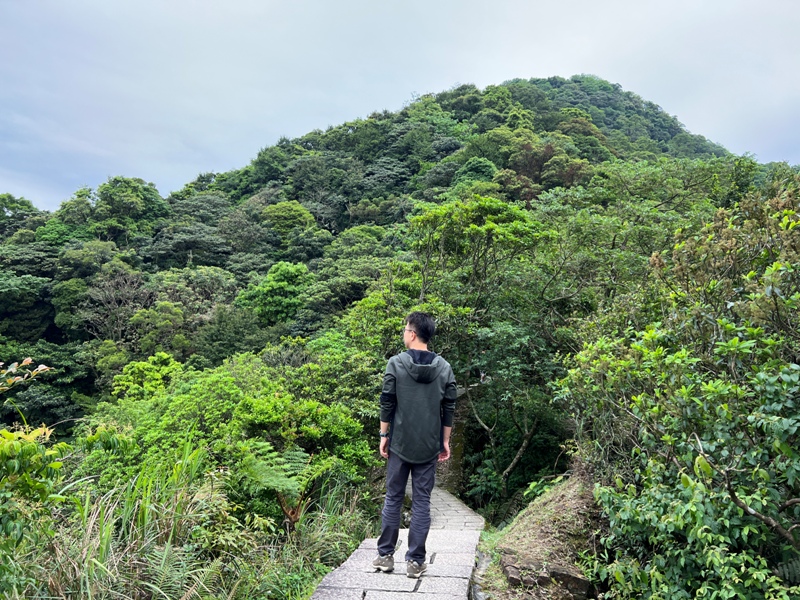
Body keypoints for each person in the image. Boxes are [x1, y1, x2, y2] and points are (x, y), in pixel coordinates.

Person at [372, 311, 457, 579]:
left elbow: (387, 402)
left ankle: (385, 556)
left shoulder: (395, 364)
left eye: (405, 329)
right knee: (422, 501)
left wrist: (384, 436)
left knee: (394, 497)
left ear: (412, 333)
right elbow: (449, 409)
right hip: (429, 446)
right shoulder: (444, 368)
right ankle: (415, 561)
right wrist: (445, 441)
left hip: (399, 444)